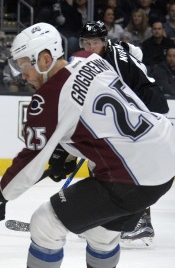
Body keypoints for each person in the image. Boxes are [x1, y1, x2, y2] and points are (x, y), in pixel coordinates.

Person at [0, 22, 175, 268]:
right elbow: (99, 111)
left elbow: (30, 162)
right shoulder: (90, 60)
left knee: (46, 221)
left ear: (45, 59)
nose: (22, 75)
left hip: (132, 174)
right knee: (101, 231)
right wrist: (66, 152)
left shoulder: (47, 98)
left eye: (24, 65)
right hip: (163, 155)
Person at [71, 21, 170, 247]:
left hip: (147, 107)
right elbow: (136, 52)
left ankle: (140, 222)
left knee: (133, 167)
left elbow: (124, 96)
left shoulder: (111, 62)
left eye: (94, 42)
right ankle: (109, 217)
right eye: (86, 42)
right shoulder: (114, 50)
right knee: (112, 163)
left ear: (103, 41)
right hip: (144, 105)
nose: (89, 47)